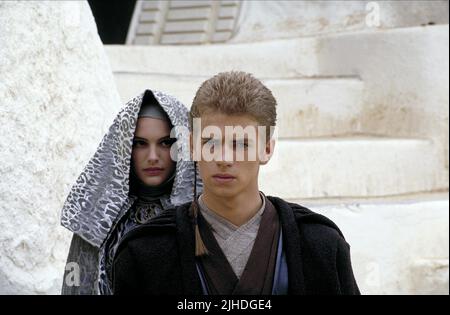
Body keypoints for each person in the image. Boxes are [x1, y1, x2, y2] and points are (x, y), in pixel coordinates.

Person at [112, 72, 360, 295]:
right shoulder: (145, 251)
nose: (223, 159)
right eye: (210, 142)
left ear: (266, 149)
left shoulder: (320, 245)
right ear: (192, 145)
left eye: (240, 144)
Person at [60, 89, 201, 294]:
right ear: (124, 147)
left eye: (165, 142)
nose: (153, 156)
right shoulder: (97, 218)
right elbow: (75, 286)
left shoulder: (203, 213)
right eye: (140, 143)